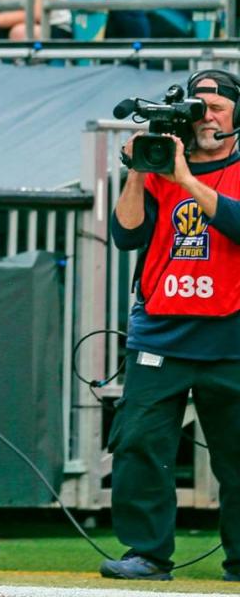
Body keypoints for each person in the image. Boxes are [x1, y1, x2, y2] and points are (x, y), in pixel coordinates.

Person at [104, 69, 240, 582]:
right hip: (160, 333)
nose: (205, 113)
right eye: (198, 103)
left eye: (217, 104)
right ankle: (148, 553)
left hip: (231, 335)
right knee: (139, 446)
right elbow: (126, 234)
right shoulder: (161, 167)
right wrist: (141, 169)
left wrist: (185, 179)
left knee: (238, 459)